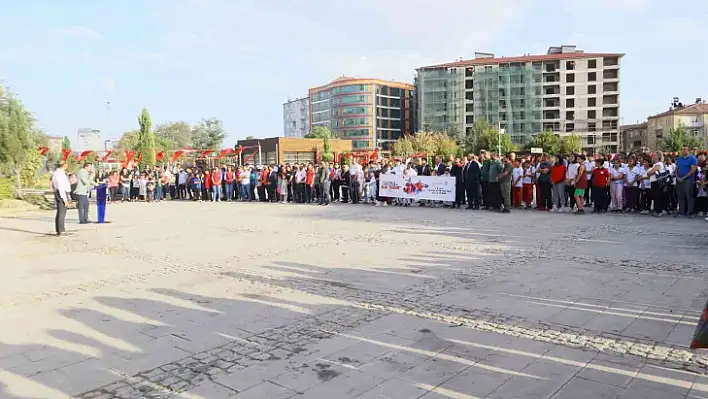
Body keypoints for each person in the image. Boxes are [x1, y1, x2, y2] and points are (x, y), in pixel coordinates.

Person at [676, 147, 698, 217]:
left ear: (689, 151)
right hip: (679, 179)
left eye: (684, 149)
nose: (683, 151)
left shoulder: (692, 159)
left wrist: (683, 177)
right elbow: (676, 169)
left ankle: (690, 212)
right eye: (682, 149)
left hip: (688, 180)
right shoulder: (679, 158)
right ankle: (681, 211)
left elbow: (693, 170)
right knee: (680, 196)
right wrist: (677, 177)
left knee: (689, 196)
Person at [51, 161, 72, 236]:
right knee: (62, 212)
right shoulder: (60, 174)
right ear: (64, 165)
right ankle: (61, 230)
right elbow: (61, 187)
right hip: (61, 193)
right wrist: (65, 199)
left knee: (60, 212)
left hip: (57, 192)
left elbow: (53, 184)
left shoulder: (56, 173)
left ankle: (58, 229)